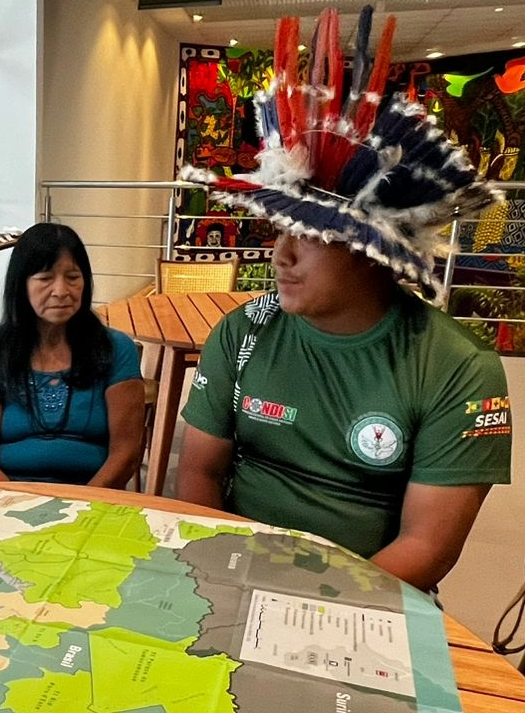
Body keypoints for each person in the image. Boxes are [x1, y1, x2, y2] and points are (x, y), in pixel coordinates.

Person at [176, 8, 512, 592]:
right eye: (280, 229)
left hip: (368, 601)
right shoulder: (243, 332)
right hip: (233, 577)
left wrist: (306, 606)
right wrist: (227, 581)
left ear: (372, 250)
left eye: (308, 234)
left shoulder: (458, 369)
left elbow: (427, 548)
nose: (280, 255)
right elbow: (199, 475)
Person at [0, 222, 145, 488]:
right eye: (45, 278)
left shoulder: (116, 350)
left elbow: (126, 453)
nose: (61, 291)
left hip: (93, 499)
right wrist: (15, 504)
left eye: (72, 277)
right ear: (21, 285)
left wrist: (80, 505)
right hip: (10, 496)